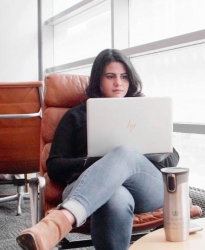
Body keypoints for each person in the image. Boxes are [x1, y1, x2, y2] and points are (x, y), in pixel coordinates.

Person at [16, 48, 180, 250]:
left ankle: (62, 219)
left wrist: (135, 157)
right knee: (115, 196)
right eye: (110, 76)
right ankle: (65, 217)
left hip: (146, 189)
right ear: (98, 80)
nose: (118, 83)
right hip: (88, 189)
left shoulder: (143, 110)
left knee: (124, 152)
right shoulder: (76, 116)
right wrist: (99, 163)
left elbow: (173, 157)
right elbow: (55, 166)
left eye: (124, 77)